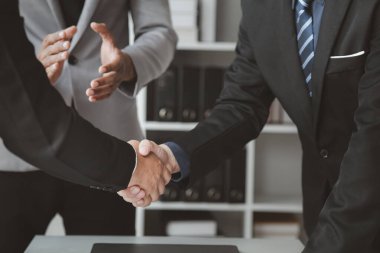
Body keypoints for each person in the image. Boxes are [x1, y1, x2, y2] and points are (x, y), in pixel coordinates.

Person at [122, 0, 380, 252]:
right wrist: (172, 157)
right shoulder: (260, 7)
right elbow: (243, 104)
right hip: (324, 206)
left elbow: (373, 134)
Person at [0, 1, 176, 252]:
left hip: (109, 137)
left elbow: (160, 31)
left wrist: (129, 64)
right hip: (16, 153)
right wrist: (26, 77)